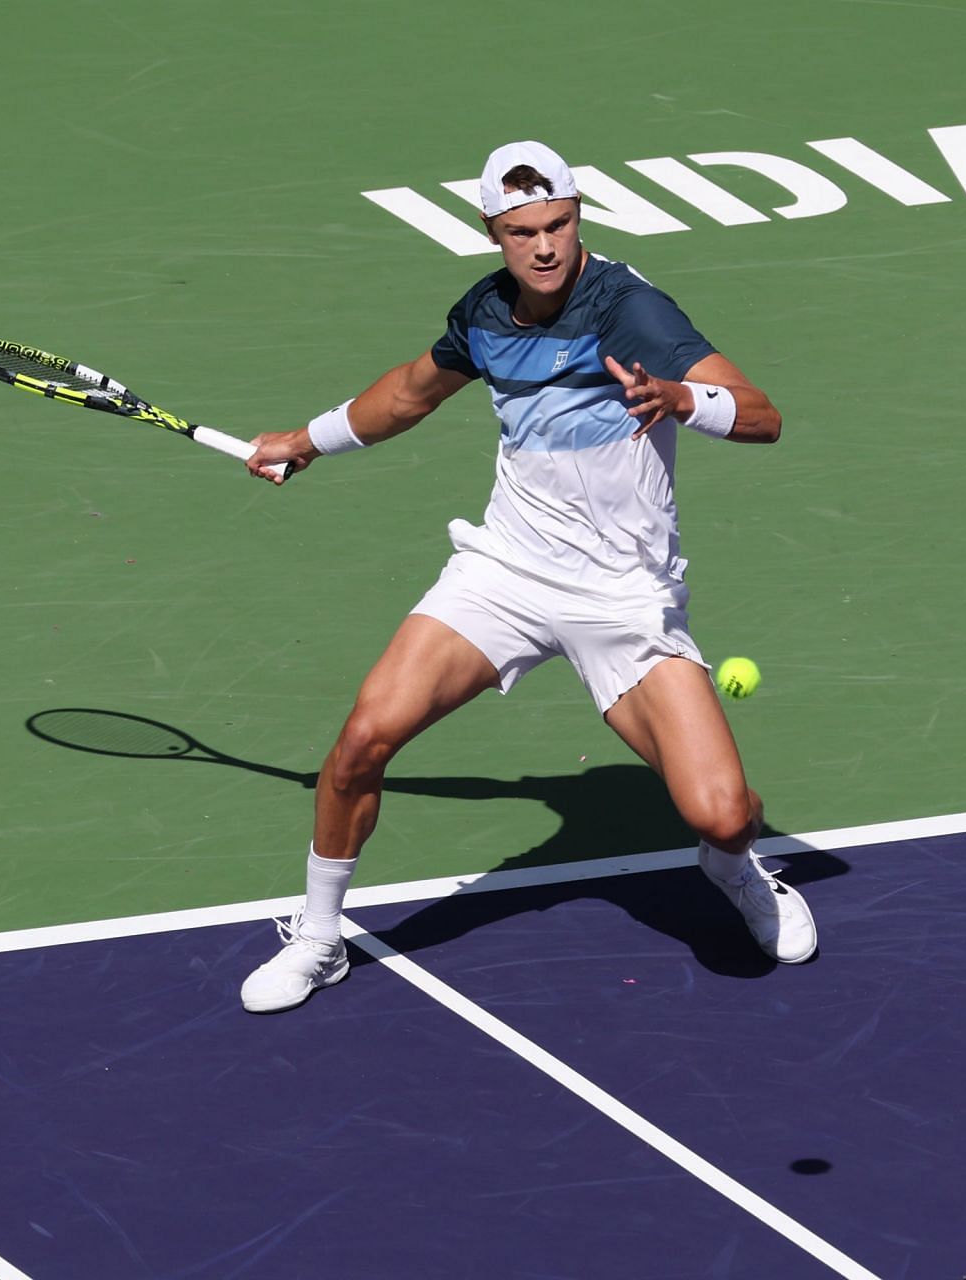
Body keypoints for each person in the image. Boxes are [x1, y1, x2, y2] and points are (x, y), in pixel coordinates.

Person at [236, 140, 816, 1013]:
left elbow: (764, 417)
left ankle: (736, 868)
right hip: (506, 572)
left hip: (625, 597)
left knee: (722, 815)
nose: (544, 247)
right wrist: (306, 440)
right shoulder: (484, 312)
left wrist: (682, 400)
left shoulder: (630, 310)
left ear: (578, 216)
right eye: (522, 232)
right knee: (362, 741)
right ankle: (320, 938)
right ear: (491, 232)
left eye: (559, 224)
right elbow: (408, 394)